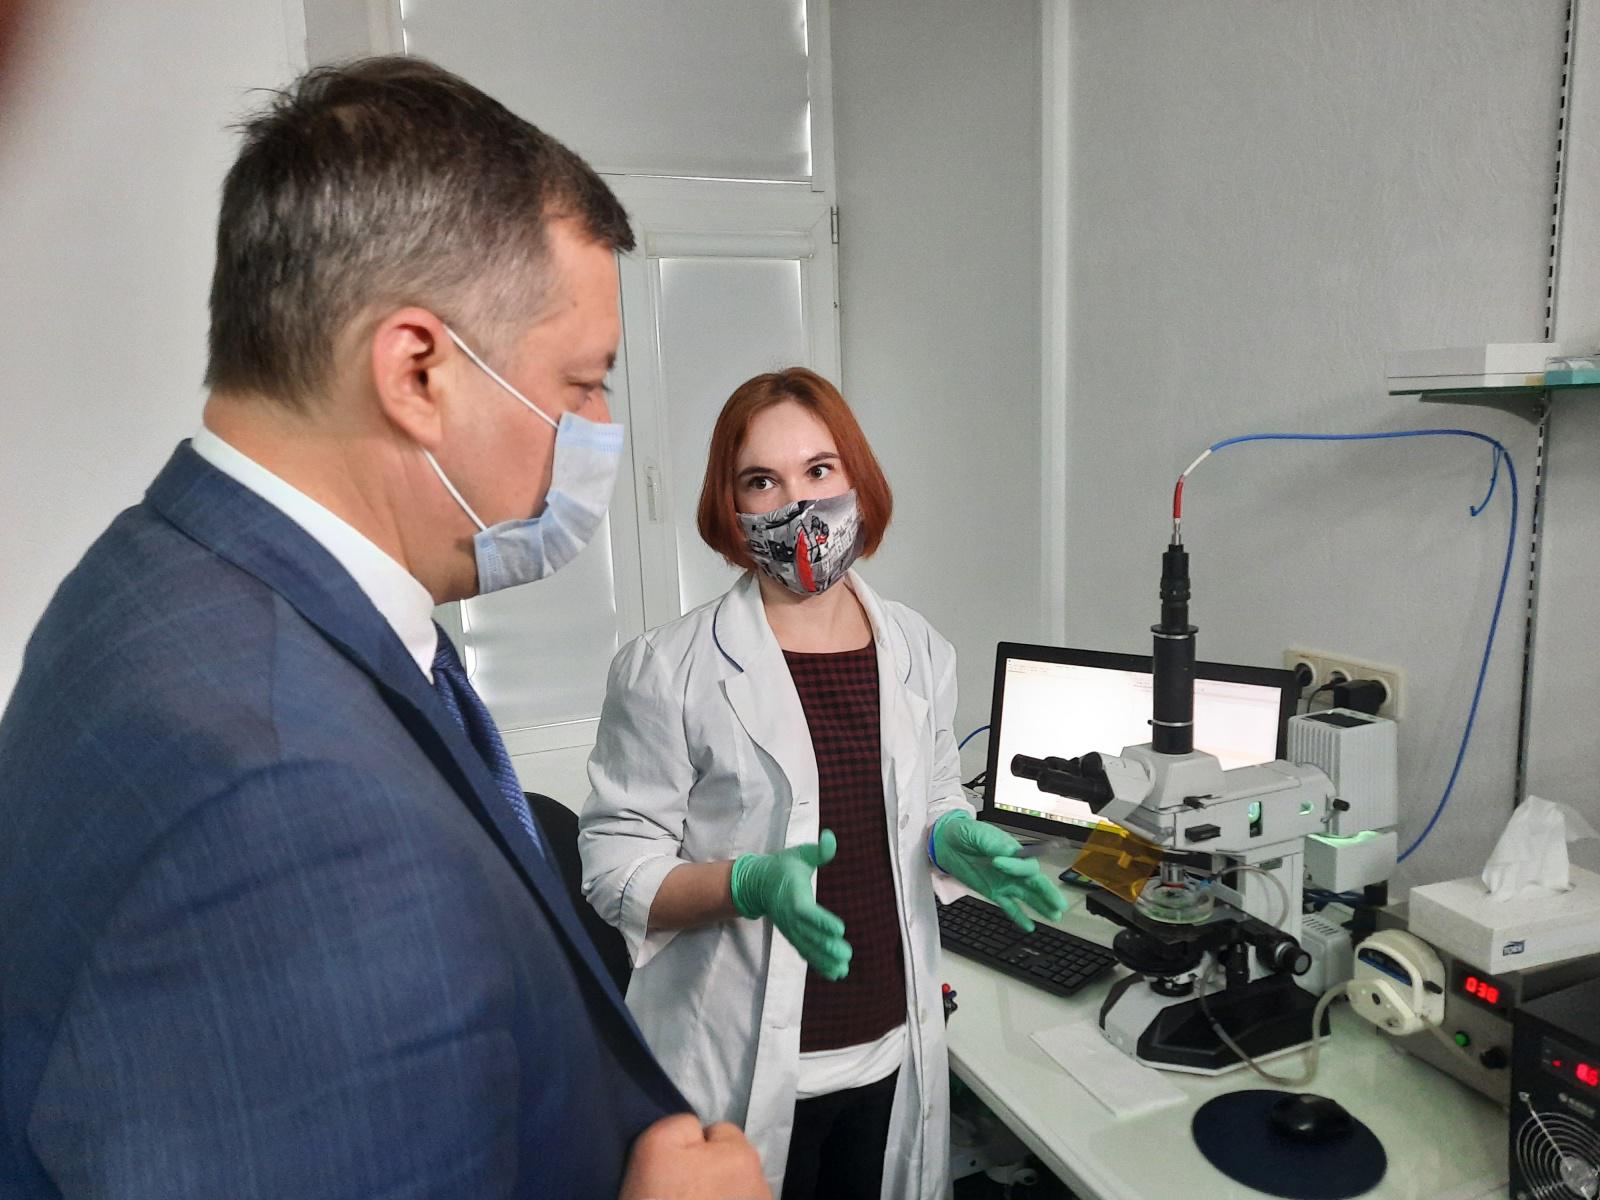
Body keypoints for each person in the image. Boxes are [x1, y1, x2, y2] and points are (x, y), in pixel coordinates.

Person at [0, 57, 767, 1200]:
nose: (601, 427)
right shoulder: (289, 807)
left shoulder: (158, 578)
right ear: (418, 373)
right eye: (583, 382)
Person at [579, 368, 1066, 1199]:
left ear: (858, 481)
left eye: (818, 469)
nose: (798, 504)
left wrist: (951, 834)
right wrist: (744, 884)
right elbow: (613, 870)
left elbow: (932, 791)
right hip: (738, 1062)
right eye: (761, 480)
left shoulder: (917, 648)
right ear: (731, 507)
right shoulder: (667, 668)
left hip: (890, 1046)